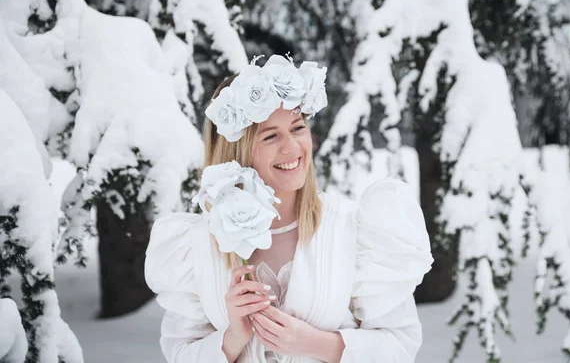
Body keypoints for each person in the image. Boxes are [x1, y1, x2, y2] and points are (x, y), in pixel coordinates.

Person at [144, 55, 434, 363]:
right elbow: (180, 352)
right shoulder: (197, 245)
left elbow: (399, 347)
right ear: (236, 151)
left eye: (297, 128)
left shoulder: (353, 229)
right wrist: (231, 339)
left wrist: (315, 344)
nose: (293, 147)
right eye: (271, 136)